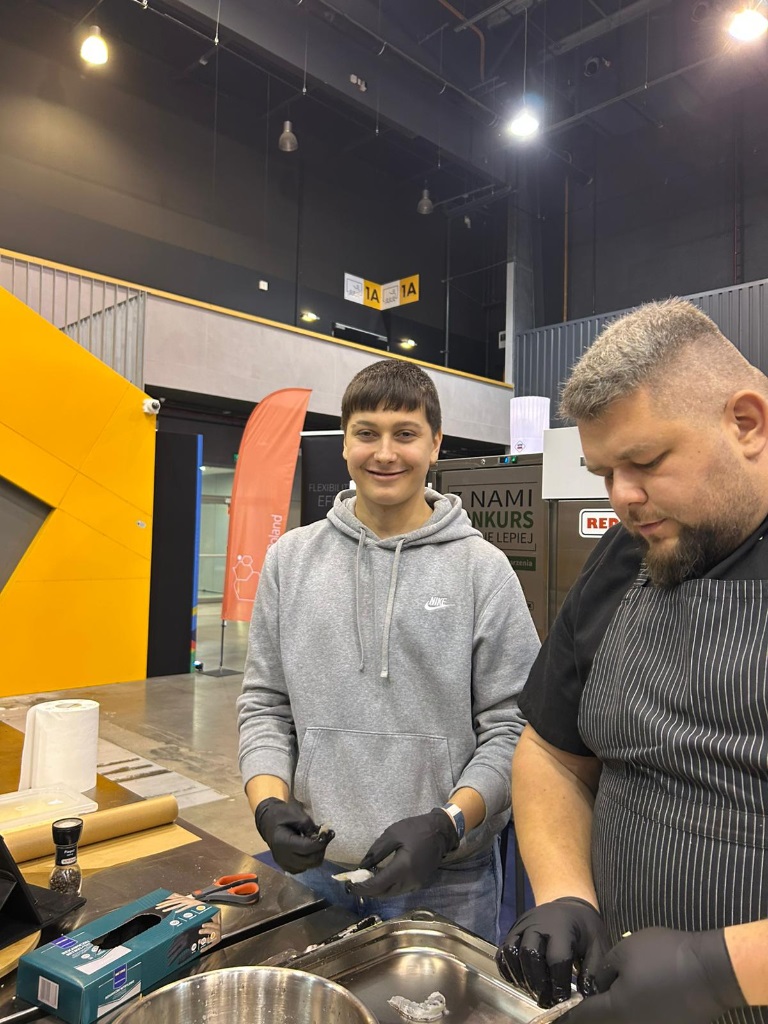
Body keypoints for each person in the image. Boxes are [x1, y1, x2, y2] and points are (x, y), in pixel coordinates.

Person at [496, 299, 768, 1023]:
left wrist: (716, 971)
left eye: (645, 463)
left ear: (747, 423)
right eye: (605, 472)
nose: (623, 498)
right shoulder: (628, 555)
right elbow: (552, 752)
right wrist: (565, 893)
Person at [236, 359, 539, 943]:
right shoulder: (289, 562)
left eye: (405, 434)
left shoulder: (482, 570)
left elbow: (513, 727)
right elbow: (266, 706)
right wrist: (268, 804)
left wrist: (449, 823)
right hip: (315, 869)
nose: (384, 453)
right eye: (366, 433)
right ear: (344, 443)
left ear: (435, 444)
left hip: (449, 878)